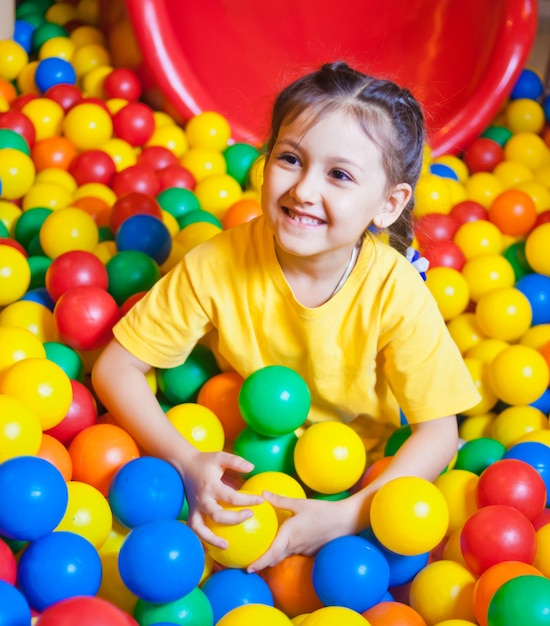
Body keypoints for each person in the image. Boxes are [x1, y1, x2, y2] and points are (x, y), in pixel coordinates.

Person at [92, 61, 481, 571]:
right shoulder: (218, 262)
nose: (303, 190)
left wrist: (350, 514)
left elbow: (438, 432)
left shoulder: (396, 291)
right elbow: (115, 367)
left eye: (339, 174)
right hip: (242, 464)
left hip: (358, 473)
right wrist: (187, 460)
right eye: (291, 158)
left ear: (388, 205)